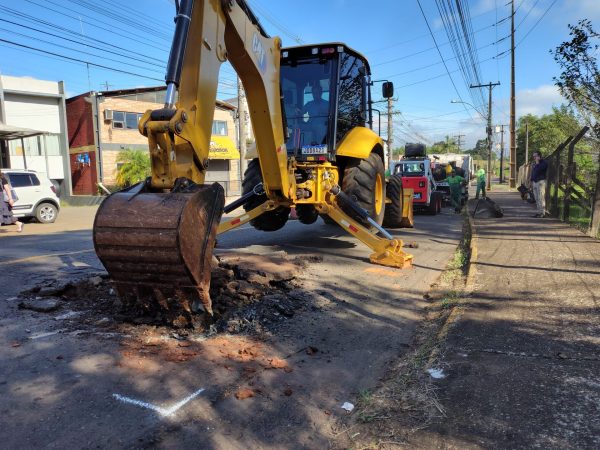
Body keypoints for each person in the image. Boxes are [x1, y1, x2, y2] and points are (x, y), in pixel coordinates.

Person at [530, 151, 548, 218]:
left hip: (540, 182)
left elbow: (539, 170)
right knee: (536, 198)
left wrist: (537, 163)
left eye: (535, 156)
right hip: (535, 182)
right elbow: (533, 172)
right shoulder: (535, 163)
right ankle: (539, 212)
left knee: (541, 197)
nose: (534, 158)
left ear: (539, 156)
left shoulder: (544, 163)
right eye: (533, 156)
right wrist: (531, 180)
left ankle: (542, 213)